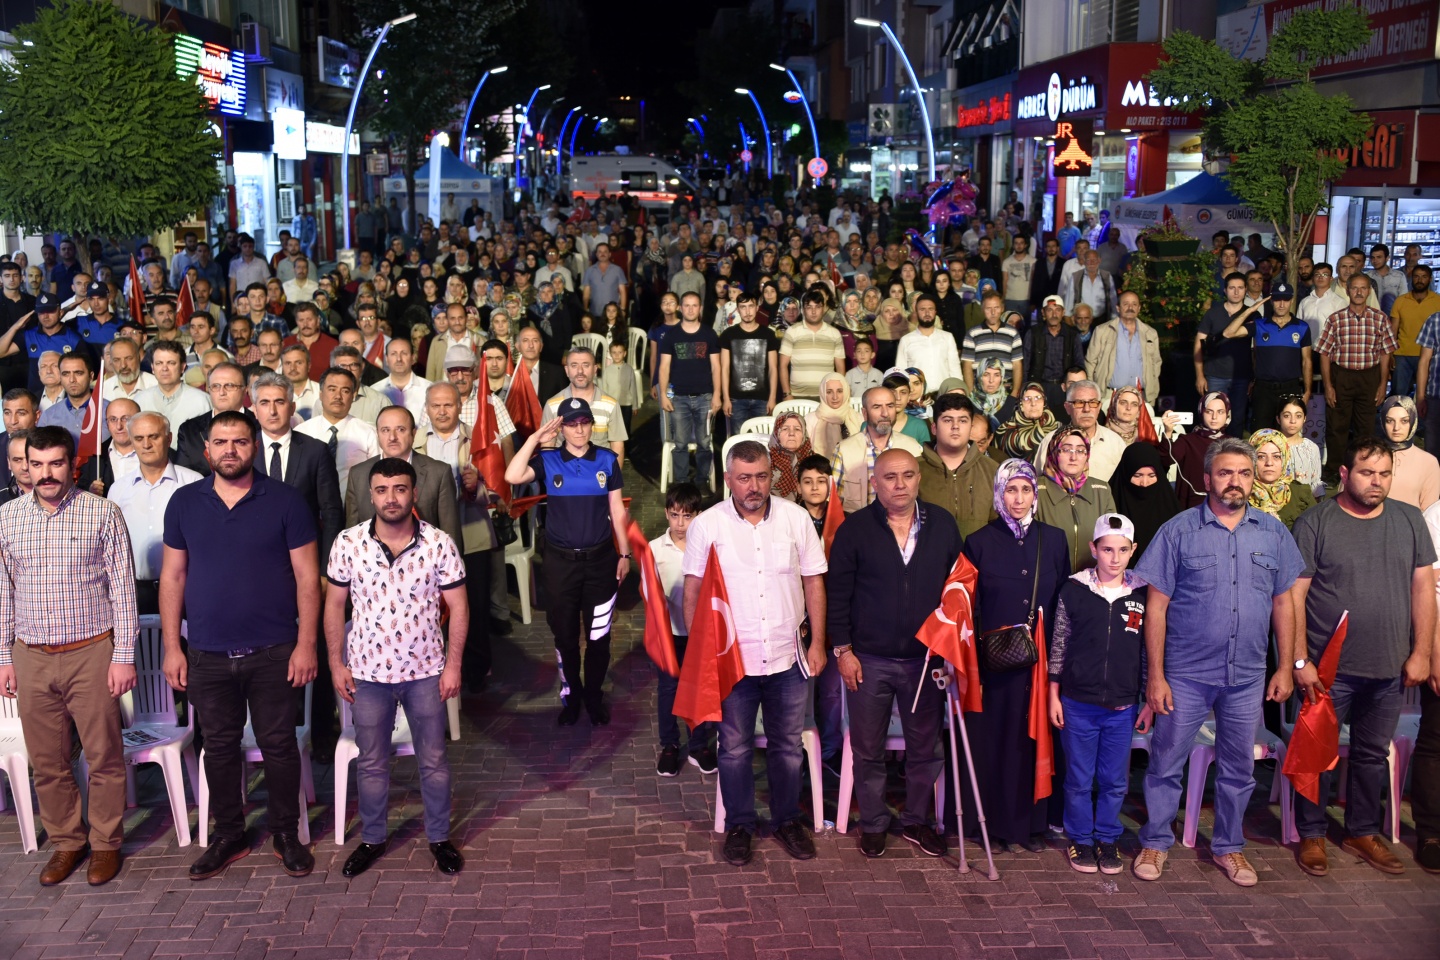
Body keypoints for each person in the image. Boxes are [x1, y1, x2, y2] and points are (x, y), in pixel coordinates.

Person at [1132, 437, 1303, 887]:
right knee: (1167, 761)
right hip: (1185, 674)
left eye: (1244, 473)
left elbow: (1285, 604)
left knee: (1238, 768)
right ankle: (1155, 840)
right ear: (1207, 479)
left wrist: (1286, 666)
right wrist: (1156, 675)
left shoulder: (1272, 532)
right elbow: (1157, 607)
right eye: (1225, 473)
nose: (1236, 481)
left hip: (1247, 676)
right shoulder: (1178, 531)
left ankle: (1229, 847)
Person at [160, 410, 319, 881]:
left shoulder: (286, 502)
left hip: (274, 649)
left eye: (241, 441)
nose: (231, 449)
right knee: (221, 748)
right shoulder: (184, 503)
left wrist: (305, 643)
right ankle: (229, 834)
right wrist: (173, 647)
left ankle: (285, 833)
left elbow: (310, 578)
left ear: (255, 446)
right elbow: (173, 576)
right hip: (206, 653)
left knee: (278, 746)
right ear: (206, 450)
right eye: (221, 441)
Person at [1291, 439, 1436, 877]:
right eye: (1367, 472)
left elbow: (1423, 589)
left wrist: (1422, 653)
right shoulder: (1316, 521)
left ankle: (1361, 830)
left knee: (1372, 755)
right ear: (1343, 472)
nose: (1377, 482)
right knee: (1318, 756)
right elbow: (1293, 596)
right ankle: (1312, 833)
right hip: (1327, 669)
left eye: (1385, 474)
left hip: (1389, 666)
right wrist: (1300, 659)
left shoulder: (1410, 519)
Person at [0, 426, 137, 887]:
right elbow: (3, 594)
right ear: (23, 465)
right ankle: (67, 843)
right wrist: (4, 657)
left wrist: (124, 655)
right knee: (48, 761)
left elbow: (123, 591)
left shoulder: (102, 513)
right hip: (30, 655)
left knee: (103, 756)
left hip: (92, 651)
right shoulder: (8, 519)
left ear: (71, 463)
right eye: (35, 464)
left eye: (55, 463)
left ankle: (104, 845)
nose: (45, 473)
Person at [681, 439, 829, 867]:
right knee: (734, 748)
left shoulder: (796, 519)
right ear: (728, 479)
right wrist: (700, 654)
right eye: (744, 478)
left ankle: (787, 820)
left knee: (786, 747)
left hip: (788, 658)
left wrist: (818, 643)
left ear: (773, 476)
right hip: (733, 661)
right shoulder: (707, 526)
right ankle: (740, 825)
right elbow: (693, 592)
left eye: (762, 476)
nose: (754, 486)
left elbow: (814, 582)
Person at [325, 457, 468, 878]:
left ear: (414, 493)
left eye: (400, 489)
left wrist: (453, 665)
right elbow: (334, 606)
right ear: (371, 495)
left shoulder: (439, 543)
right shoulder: (348, 543)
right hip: (367, 674)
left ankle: (439, 839)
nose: (392, 498)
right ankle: (372, 838)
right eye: (383, 490)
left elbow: (459, 607)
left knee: (434, 760)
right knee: (371, 762)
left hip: (425, 670)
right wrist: (336, 662)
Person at [827, 448, 958, 858]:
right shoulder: (854, 530)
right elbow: (838, 595)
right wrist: (843, 651)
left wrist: (953, 650)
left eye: (907, 475)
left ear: (919, 478)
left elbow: (958, 592)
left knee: (926, 748)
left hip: (926, 661)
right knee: (868, 750)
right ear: (873, 483)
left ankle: (918, 822)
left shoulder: (943, 525)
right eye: (889, 477)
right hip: (869, 660)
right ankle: (873, 822)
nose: (899, 484)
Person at [960, 459, 1071, 851]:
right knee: (1000, 740)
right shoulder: (979, 541)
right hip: (997, 663)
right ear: (999, 493)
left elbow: (1062, 605)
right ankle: (997, 826)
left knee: (1035, 740)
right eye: (1011, 490)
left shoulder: (1053, 539)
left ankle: (1031, 827)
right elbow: (968, 606)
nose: (1019, 498)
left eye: (1026, 489)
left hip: (1039, 663)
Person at [503, 401, 627, 726]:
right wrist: (535, 438)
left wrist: (624, 554)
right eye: (572, 424)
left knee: (599, 638)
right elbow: (512, 474)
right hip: (560, 565)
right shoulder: (548, 459)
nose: (579, 429)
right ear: (563, 428)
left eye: (585, 422)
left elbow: (617, 509)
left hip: (601, 563)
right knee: (565, 638)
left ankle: (593, 696)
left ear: (592, 426)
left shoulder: (607, 460)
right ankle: (571, 697)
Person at [1049, 513, 1153, 875]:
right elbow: (1058, 645)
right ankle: (1080, 838)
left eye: (1122, 550)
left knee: (1113, 779)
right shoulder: (1074, 590)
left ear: (1133, 550)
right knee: (1078, 777)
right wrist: (1053, 694)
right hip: (1078, 703)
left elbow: (1147, 652)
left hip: (1123, 706)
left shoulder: (1141, 591)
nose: (1114, 558)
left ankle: (1107, 838)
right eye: (1107, 549)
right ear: (1093, 548)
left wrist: (1146, 701)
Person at [414, 382, 498, 688]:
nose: (442, 411)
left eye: (448, 405)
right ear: (426, 409)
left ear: (459, 406)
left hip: (471, 534)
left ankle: (476, 672)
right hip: (426, 539)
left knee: (473, 604)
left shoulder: (478, 439)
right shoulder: (415, 441)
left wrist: (477, 486)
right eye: (435, 405)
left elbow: (500, 494)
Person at [650, 483, 717, 778]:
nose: (680, 523)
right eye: (675, 515)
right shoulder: (654, 549)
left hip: (699, 633)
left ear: (698, 516)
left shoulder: (707, 547)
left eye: (687, 517)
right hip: (669, 636)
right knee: (668, 689)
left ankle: (699, 744)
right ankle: (669, 745)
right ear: (666, 513)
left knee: (700, 689)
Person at [110, 411, 202, 615]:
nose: (146, 444)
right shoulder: (118, 489)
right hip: (133, 592)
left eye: (154, 436)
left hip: (184, 589)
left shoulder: (194, 482)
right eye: (139, 438)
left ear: (168, 439)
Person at [1317, 274, 1396, 485]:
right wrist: (1328, 385)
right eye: (1355, 288)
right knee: (1337, 426)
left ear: (1369, 291)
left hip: (1369, 377)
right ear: (1348, 290)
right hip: (1341, 375)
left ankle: (1362, 468)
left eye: (1363, 288)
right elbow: (1324, 353)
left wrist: (1382, 384)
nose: (1359, 292)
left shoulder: (1380, 319)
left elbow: (1385, 353)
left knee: (1365, 427)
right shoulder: (1335, 319)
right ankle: (1334, 469)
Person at [658, 292, 721, 490]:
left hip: (705, 397)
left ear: (700, 308)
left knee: (704, 442)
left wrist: (717, 394)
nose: (691, 309)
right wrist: (663, 395)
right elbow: (664, 367)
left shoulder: (709, 334)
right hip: (679, 397)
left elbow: (716, 367)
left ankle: (702, 480)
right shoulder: (671, 335)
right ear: (680, 308)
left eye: (695, 305)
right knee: (681, 443)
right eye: (687, 305)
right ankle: (682, 483)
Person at [1037, 425, 1117, 572]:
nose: (1074, 457)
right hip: (1048, 580)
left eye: (1080, 451)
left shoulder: (1102, 490)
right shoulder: (1035, 490)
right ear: (1054, 451)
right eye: (1066, 449)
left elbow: (1112, 542)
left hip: (1090, 585)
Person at [917, 392, 998, 538]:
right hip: (931, 559)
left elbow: (1000, 527)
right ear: (934, 428)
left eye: (962, 421)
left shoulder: (993, 470)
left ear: (970, 427)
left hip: (978, 559)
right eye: (948, 420)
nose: (955, 426)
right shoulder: (914, 470)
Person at [833, 386, 924, 513]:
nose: (885, 413)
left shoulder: (913, 447)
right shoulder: (844, 450)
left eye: (890, 406)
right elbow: (834, 502)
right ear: (864, 413)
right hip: (860, 527)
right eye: (877, 407)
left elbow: (922, 496)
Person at [1196, 274, 1265, 433]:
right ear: (1225, 290)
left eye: (1240, 288)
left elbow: (1258, 348)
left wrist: (1253, 377)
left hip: (1241, 377)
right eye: (1232, 288)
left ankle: (1234, 456)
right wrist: (1200, 375)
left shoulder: (1253, 314)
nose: (1236, 292)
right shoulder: (1212, 314)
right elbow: (1199, 345)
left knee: (1237, 420)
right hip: (1214, 375)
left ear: (1245, 290)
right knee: (1211, 419)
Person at [295, 368, 380, 491]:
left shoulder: (368, 433)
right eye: (332, 389)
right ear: (320, 394)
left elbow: (376, 476)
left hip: (352, 505)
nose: (338, 396)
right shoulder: (302, 432)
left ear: (353, 396)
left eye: (345, 391)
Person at [1032, 380, 1125, 483]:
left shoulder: (1115, 443)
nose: (1086, 409)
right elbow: (1038, 482)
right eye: (1079, 403)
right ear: (1067, 408)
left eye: (1092, 403)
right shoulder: (1051, 441)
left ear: (1099, 407)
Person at [1086, 291, 1161, 405]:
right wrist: (1093, 393)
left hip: (1141, 397)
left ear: (1139, 308)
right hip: (1109, 397)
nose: (1130, 307)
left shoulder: (1150, 333)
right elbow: (1090, 362)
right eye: (1126, 304)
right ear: (1118, 308)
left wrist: (1152, 385)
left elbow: (1156, 363)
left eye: (1134, 304)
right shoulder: (1102, 331)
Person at [1110, 442, 1179, 563]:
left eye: (1152, 475)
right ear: (1126, 474)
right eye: (1138, 475)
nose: (1145, 483)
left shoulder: (1169, 506)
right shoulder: (1110, 502)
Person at [719, 291, 778, 432]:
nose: (747, 311)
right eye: (743, 307)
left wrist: (772, 398)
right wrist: (726, 398)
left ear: (757, 307)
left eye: (751, 306)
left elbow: (773, 368)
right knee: (739, 442)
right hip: (736, 399)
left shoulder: (768, 334)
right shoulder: (728, 334)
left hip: (762, 399)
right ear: (738, 309)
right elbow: (725, 369)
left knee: (762, 442)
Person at [136, 341, 211, 447]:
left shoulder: (202, 401)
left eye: (171, 363)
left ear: (182, 367)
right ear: (152, 367)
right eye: (159, 363)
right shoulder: (140, 399)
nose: (164, 368)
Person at [1165, 392, 1232, 509]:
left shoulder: (1233, 443)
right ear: (1201, 412)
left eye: (1220, 412)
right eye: (1209, 411)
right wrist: (1168, 432)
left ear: (1227, 414)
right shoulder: (1187, 441)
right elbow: (1165, 460)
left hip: (1224, 507)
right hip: (1192, 508)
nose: (1214, 417)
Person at [779, 290, 846, 401]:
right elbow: (782, 366)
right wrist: (787, 394)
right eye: (809, 307)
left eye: (817, 307)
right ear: (803, 310)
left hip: (826, 396)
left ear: (824, 308)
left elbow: (840, 369)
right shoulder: (792, 332)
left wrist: (838, 393)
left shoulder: (834, 334)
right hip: (797, 396)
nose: (813, 311)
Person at [1246, 428, 1317, 529]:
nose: (1269, 463)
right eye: (1261, 457)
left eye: (1276, 457)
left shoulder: (1301, 494)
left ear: (1285, 459)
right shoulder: (1241, 495)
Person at [1379, 395, 1440, 511]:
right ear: (1382, 421)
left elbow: (1430, 513)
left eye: (1404, 421)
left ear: (1413, 421)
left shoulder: (1429, 462)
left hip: (1412, 527)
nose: (1396, 428)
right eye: (1390, 421)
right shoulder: (1368, 457)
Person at [1390, 265, 1440, 399]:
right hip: (1402, 354)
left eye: (1424, 277)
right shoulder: (1400, 301)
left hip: (1430, 355)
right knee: (1398, 395)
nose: (1420, 280)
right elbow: (1393, 330)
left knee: (1427, 396)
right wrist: (1390, 355)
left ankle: (1422, 420)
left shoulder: (1438, 301)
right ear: (1412, 278)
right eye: (1417, 276)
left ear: (1429, 279)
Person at [996, 382, 1059, 463]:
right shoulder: (1004, 431)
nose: (1033, 403)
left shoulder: (1057, 428)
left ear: (1044, 402)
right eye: (1027, 399)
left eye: (1038, 398)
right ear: (1020, 404)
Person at [806, 373, 862, 462]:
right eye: (829, 392)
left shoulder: (857, 418)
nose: (835, 397)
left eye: (839, 391)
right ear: (822, 393)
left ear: (846, 391)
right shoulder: (811, 419)